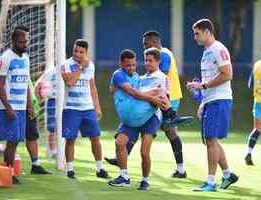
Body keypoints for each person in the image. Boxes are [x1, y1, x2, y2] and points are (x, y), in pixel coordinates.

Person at [105, 31, 191, 178]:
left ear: (154, 42)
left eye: (146, 44)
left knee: (168, 131)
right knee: (158, 128)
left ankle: (181, 168)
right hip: (166, 95)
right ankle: (180, 169)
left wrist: (145, 90)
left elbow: (159, 76)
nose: (144, 47)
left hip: (167, 97)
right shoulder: (166, 52)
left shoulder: (162, 54)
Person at [187, 18, 238, 191]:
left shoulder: (218, 48)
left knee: (211, 140)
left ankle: (210, 182)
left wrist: (203, 86)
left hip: (219, 100)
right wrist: (202, 100)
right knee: (210, 141)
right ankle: (228, 175)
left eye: (197, 33)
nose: (194, 37)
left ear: (207, 32)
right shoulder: (207, 51)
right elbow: (209, 79)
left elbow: (228, 74)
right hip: (210, 100)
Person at [108, 48, 165, 190]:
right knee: (120, 143)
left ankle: (145, 180)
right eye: (128, 65)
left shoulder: (146, 77)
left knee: (144, 152)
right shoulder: (121, 75)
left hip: (149, 117)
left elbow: (156, 94)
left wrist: (157, 99)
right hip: (132, 118)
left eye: (134, 65)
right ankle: (124, 177)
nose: (132, 68)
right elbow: (133, 93)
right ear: (121, 64)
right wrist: (152, 97)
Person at [61, 39, 109, 180]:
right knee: (71, 140)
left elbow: (92, 87)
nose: (77, 54)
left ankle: (100, 168)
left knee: (95, 138)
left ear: (86, 52)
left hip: (88, 109)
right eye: (76, 51)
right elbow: (70, 82)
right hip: (71, 109)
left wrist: (97, 107)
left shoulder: (91, 66)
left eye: (81, 52)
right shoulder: (66, 65)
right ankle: (70, 169)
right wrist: (81, 68)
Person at [0, 25, 33, 184]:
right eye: (21, 42)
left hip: (22, 107)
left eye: (26, 41)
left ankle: (8, 170)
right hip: (9, 108)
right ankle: (8, 173)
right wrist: (8, 107)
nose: (24, 44)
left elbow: (27, 83)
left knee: (16, 140)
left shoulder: (25, 58)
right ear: (13, 41)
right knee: (11, 141)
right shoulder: (5, 58)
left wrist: (30, 105)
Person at [35, 67, 58, 158]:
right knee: (52, 127)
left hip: (65, 100)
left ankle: (63, 150)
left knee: (65, 127)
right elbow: (38, 85)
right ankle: (53, 151)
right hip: (52, 100)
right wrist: (39, 95)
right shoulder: (50, 72)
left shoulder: (68, 69)